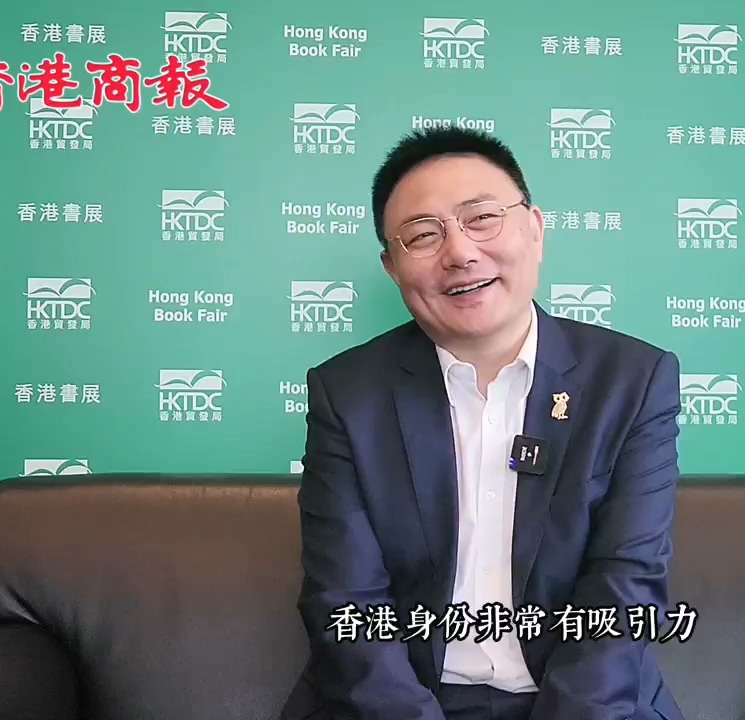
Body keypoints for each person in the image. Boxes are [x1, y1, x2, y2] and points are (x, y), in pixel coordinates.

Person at [278, 127, 686, 720]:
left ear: (535, 229)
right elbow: (346, 601)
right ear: (392, 267)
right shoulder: (347, 393)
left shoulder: (632, 380)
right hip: (401, 703)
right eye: (424, 235)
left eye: (482, 218)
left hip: (586, 704)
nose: (460, 253)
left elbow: (626, 584)